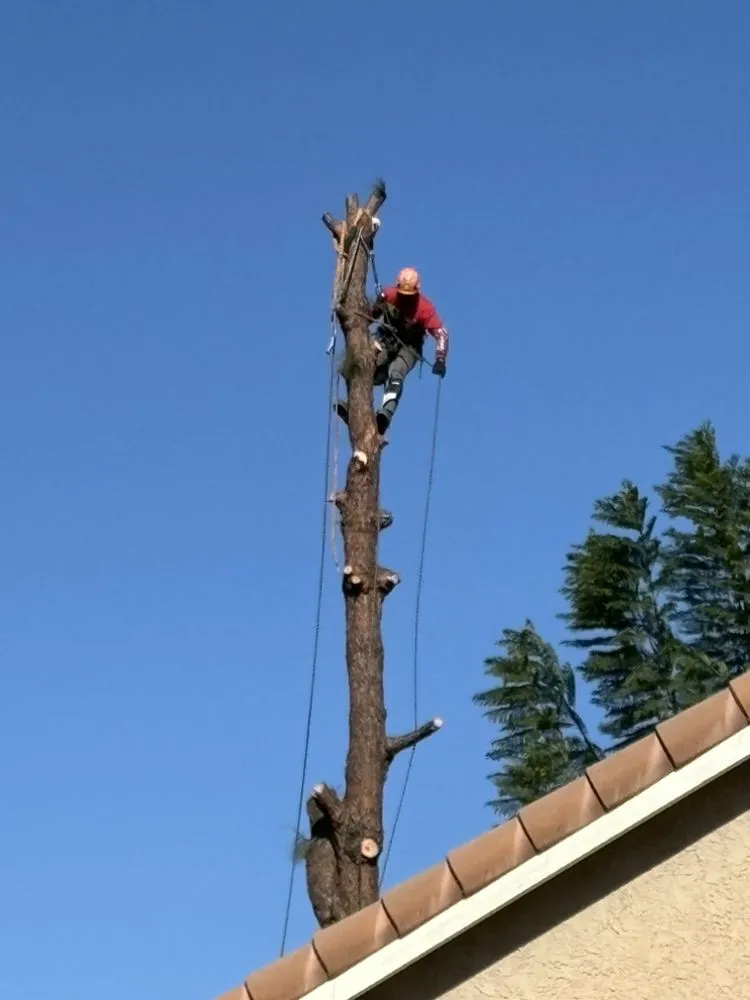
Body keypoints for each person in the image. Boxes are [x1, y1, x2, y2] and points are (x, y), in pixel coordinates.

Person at [335, 267, 448, 439]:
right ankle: (353, 405)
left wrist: (440, 359)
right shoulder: (389, 295)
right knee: (362, 365)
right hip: (386, 339)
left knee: (396, 373)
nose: (405, 299)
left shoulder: (424, 309)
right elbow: (372, 314)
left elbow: (441, 334)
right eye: (402, 294)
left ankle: (384, 416)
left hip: (409, 347)